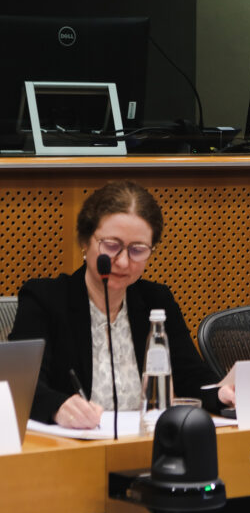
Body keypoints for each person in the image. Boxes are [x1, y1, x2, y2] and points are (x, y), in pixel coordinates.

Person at [10, 180, 234, 427]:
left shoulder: (156, 300)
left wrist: (220, 394)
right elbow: (23, 387)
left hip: (145, 439)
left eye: (137, 250)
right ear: (85, 241)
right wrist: (58, 407)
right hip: (73, 442)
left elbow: (190, 377)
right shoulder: (45, 299)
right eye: (112, 246)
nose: (124, 262)